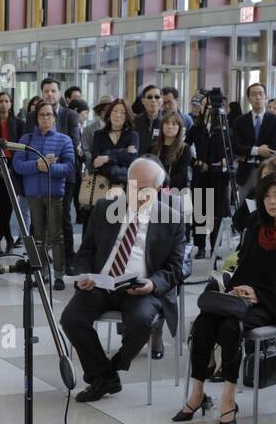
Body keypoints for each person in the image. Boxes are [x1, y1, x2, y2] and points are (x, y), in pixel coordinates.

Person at [178, 174, 276, 424]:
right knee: (204, 322)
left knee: (230, 327)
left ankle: (228, 399)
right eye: (266, 196)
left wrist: (258, 295)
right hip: (246, 299)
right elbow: (245, 269)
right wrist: (240, 289)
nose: (272, 201)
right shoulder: (258, 230)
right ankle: (197, 392)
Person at [62, 159, 186, 401]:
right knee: (71, 319)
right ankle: (105, 376)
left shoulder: (172, 218)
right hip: (101, 283)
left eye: (145, 188)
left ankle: (107, 374)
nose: (137, 193)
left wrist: (152, 284)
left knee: (141, 322)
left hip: (141, 287)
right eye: (133, 186)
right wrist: (84, 276)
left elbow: (175, 267)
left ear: (158, 190)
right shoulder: (104, 208)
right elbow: (85, 251)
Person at [14, 100, 76, 288]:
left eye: (49, 114)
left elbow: (70, 167)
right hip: (33, 194)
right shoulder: (26, 139)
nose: (46, 118)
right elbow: (17, 165)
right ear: (36, 118)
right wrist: (36, 165)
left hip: (54, 193)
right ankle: (41, 273)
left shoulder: (64, 139)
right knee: (38, 236)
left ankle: (58, 274)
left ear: (55, 118)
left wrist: (49, 168)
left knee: (56, 236)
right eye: (42, 115)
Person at [40, 78, 82, 263]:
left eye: (53, 91)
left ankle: (69, 259)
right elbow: (29, 140)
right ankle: (41, 260)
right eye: (46, 91)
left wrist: (52, 158)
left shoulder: (70, 115)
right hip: (40, 174)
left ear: (59, 94)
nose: (50, 94)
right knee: (41, 219)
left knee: (63, 217)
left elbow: (72, 142)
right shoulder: (35, 114)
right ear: (42, 93)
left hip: (65, 173)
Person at [189, 96, 234, 257]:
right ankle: (200, 246)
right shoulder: (196, 128)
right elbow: (187, 149)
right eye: (204, 106)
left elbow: (230, 152)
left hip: (219, 176)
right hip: (202, 173)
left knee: (217, 213)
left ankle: (215, 246)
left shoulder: (225, 129)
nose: (208, 109)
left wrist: (225, 162)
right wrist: (197, 162)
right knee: (201, 212)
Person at [231, 82, 276, 201]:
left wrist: (248, 150)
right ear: (249, 99)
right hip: (246, 172)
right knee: (246, 208)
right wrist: (258, 150)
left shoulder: (275, 120)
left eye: (260, 94)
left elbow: (275, 147)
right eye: (253, 94)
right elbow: (236, 147)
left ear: (266, 97)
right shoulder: (240, 121)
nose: (257, 97)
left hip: (268, 170)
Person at [0, 90, 24, 254]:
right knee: (2, 203)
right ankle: (6, 238)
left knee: (9, 204)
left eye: (6, 101)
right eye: (0, 101)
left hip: (13, 164)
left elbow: (21, 147)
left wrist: (11, 166)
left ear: (11, 104)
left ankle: (0, 238)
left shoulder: (18, 123)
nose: (3, 104)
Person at [87, 98, 139, 192]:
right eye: (115, 111)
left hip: (126, 187)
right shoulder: (99, 135)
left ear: (127, 116)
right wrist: (123, 152)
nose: (118, 115)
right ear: (109, 114)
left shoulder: (133, 135)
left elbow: (131, 159)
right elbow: (96, 161)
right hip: (102, 186)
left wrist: (107, 158)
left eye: (123, 112)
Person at [154, 113, 194, 190]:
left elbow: (181, 175)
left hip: (176, 192)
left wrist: (165, 185)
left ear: (179, 128)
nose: (170, 126)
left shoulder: (185, 149)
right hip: (155, 190)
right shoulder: (153, 147)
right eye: (166, 123)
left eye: (174, 124)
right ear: (162, 126)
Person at [135, 84, 164, 155]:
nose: (153, 100)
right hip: (138, 162)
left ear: (162, 100)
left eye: (157, 97)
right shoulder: (134, 121)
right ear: (143, 101)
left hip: (158, 164)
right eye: (149, 97)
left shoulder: (166, 122)